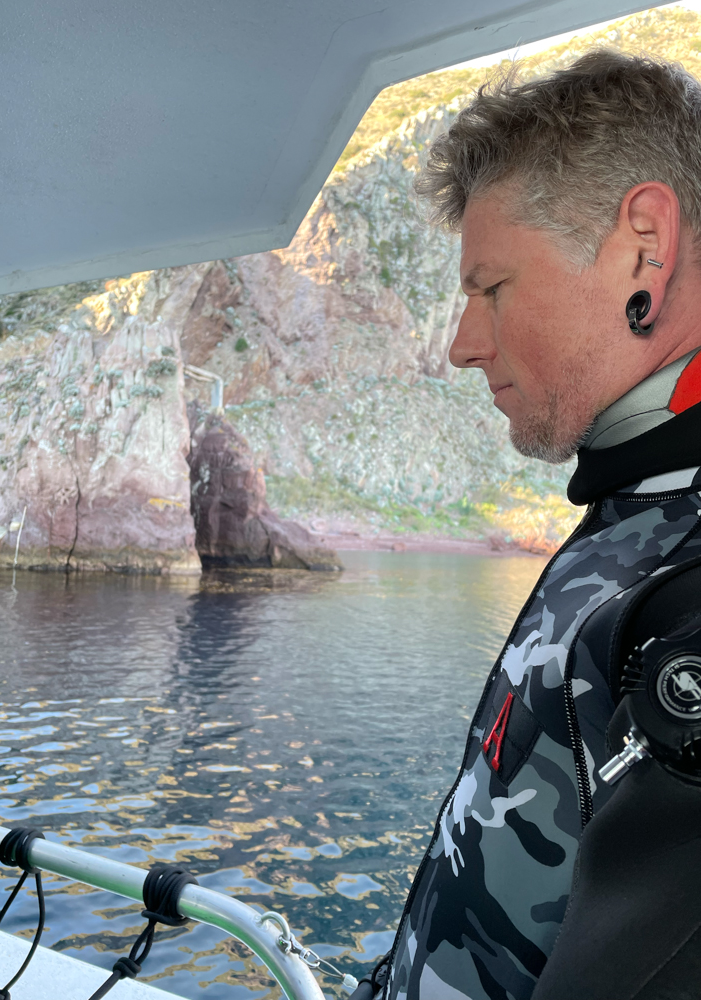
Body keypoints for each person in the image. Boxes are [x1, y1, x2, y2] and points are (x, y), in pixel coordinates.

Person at [375, 49, 701, 1000]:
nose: (462, 345)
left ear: (646, 249)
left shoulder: (684, 583)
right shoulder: (639, 511)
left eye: (493, 287)